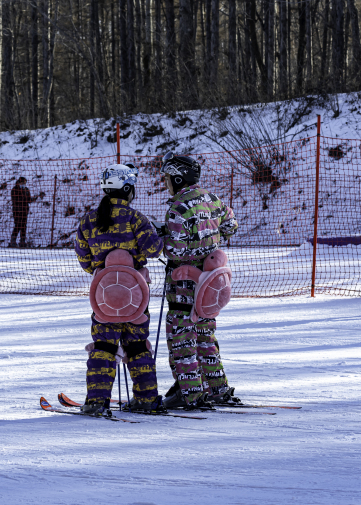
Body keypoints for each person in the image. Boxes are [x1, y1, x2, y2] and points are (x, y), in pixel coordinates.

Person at [74, 164, 166, 415]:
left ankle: (97, 402)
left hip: (104, 297)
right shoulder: (136, 218)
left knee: (104, 346)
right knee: (137, 345)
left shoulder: (89, 220)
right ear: (127, 188)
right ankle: (147, 399)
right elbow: (154, 250)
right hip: (136, 297)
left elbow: (84, 260)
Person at [158, 153, 240, 410]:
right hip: (211, 284)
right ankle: (217, 389)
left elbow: (174, 251)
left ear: (178, 177)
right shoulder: (213, 199)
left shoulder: (178, 207)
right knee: (205, 334)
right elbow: (231, 227)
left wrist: (163, 235)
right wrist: (208, 238)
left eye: (168, 178)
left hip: (184, 286)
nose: (167, 183)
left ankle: (190, 393)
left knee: (182, 337)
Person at [9, 177, 34, 248]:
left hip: (25, 210)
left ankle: (22, 241)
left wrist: (32, 199)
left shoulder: (26, 190)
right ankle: (13, 240)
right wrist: (23, 197)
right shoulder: (14, 189)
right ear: (19, 182)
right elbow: (15, 199)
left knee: (24, 225)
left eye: (25, 183)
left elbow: (28, 199)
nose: (24, 184)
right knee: (17, 224)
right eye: (22, 183)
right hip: (17, 210)